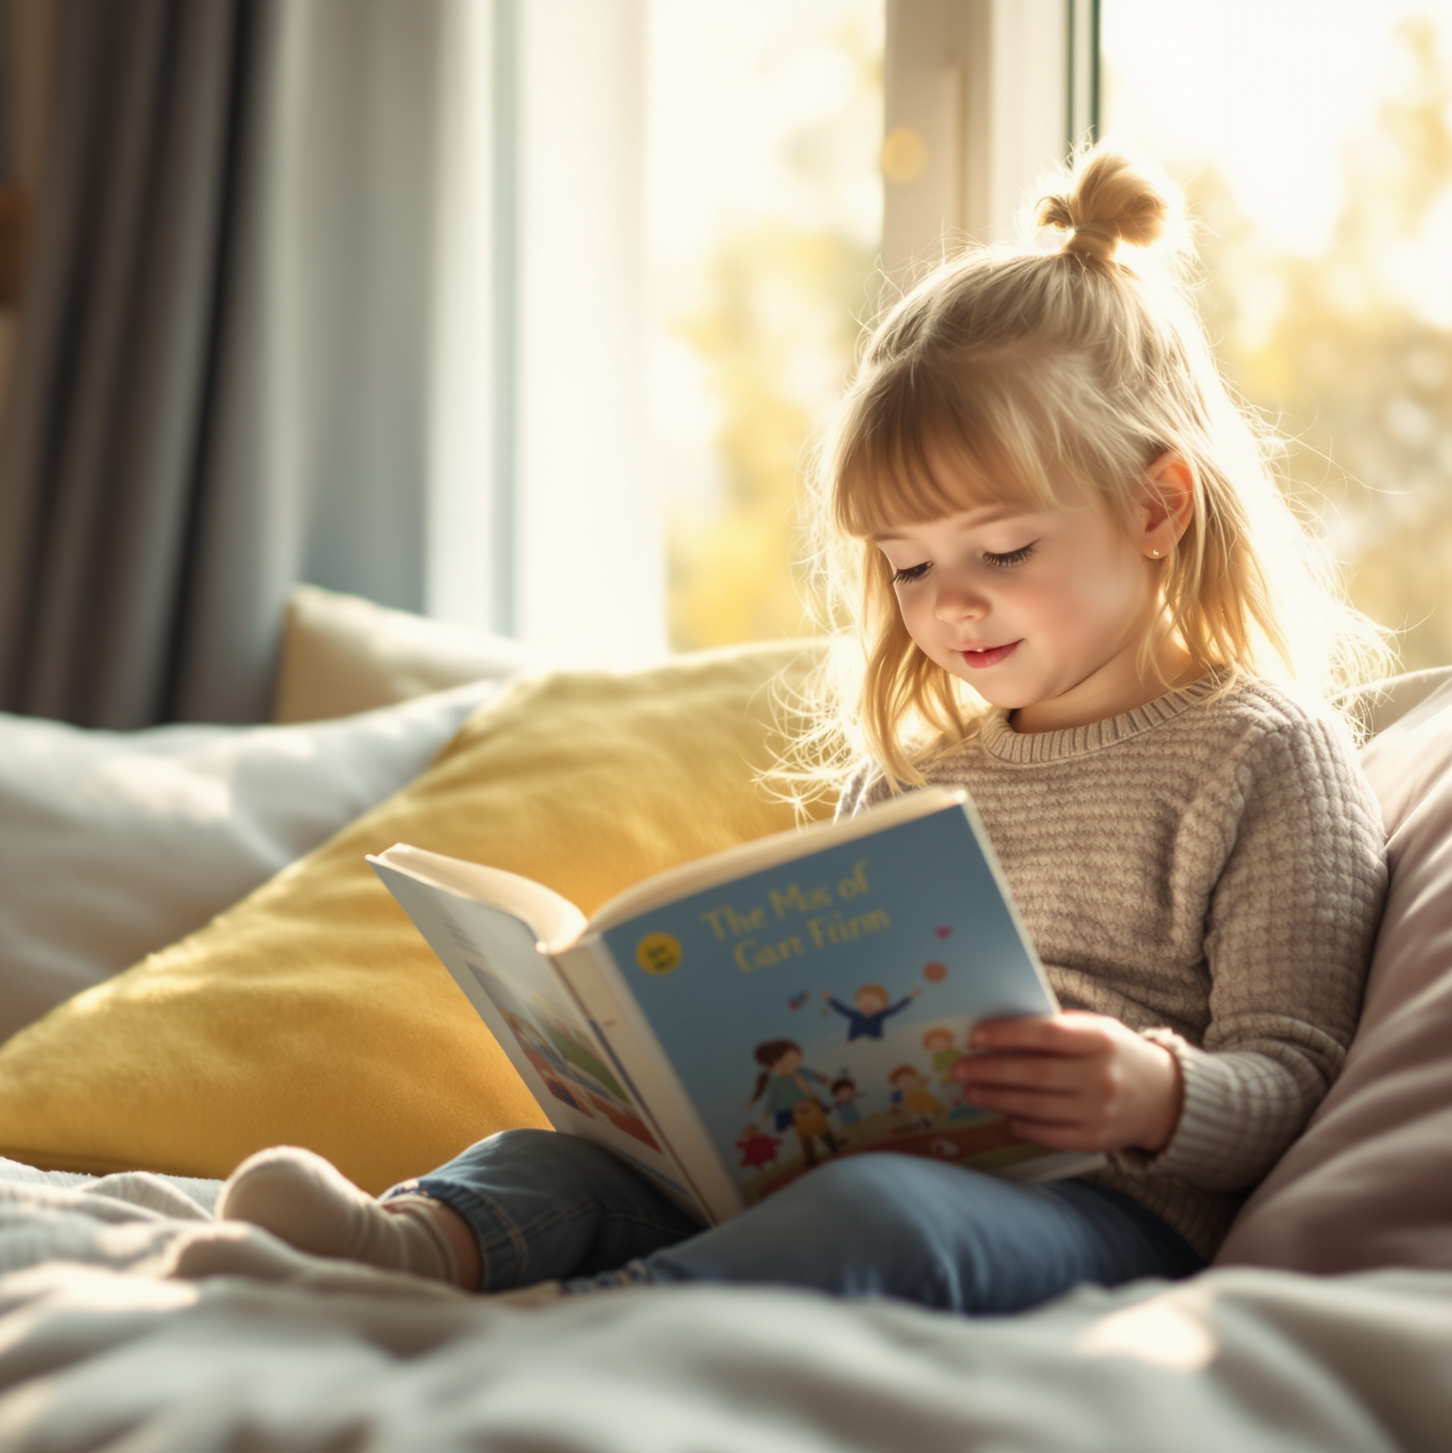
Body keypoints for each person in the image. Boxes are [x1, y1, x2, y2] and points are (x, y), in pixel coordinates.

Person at [214, 143, 1389, 1314]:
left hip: (1095, 1215)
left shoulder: (1264, 755)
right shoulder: (920, 775)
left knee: (880, 1219)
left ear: (1154, 504)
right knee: (565, 1161)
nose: (950, 602)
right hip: (832, 1167)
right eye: (909, 565)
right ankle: (408, 1248)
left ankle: (597, 1318)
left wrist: (1154, 1095)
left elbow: (1298, 1077)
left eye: (1003, 550)